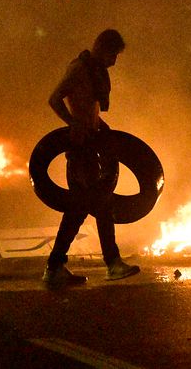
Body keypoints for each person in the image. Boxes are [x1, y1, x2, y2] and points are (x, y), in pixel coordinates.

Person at [43, 29, 140, 288]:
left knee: (77, 210)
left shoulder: (94, 71)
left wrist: (100, 129)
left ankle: (55, 267)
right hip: (81, 149)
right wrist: (73, 123)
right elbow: (54, 99)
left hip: (90, 144)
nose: (114, 61)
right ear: (100, 47)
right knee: (101, 205)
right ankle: (113, 263)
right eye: (113, 54)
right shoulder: (79, 69)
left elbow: (91, 111)